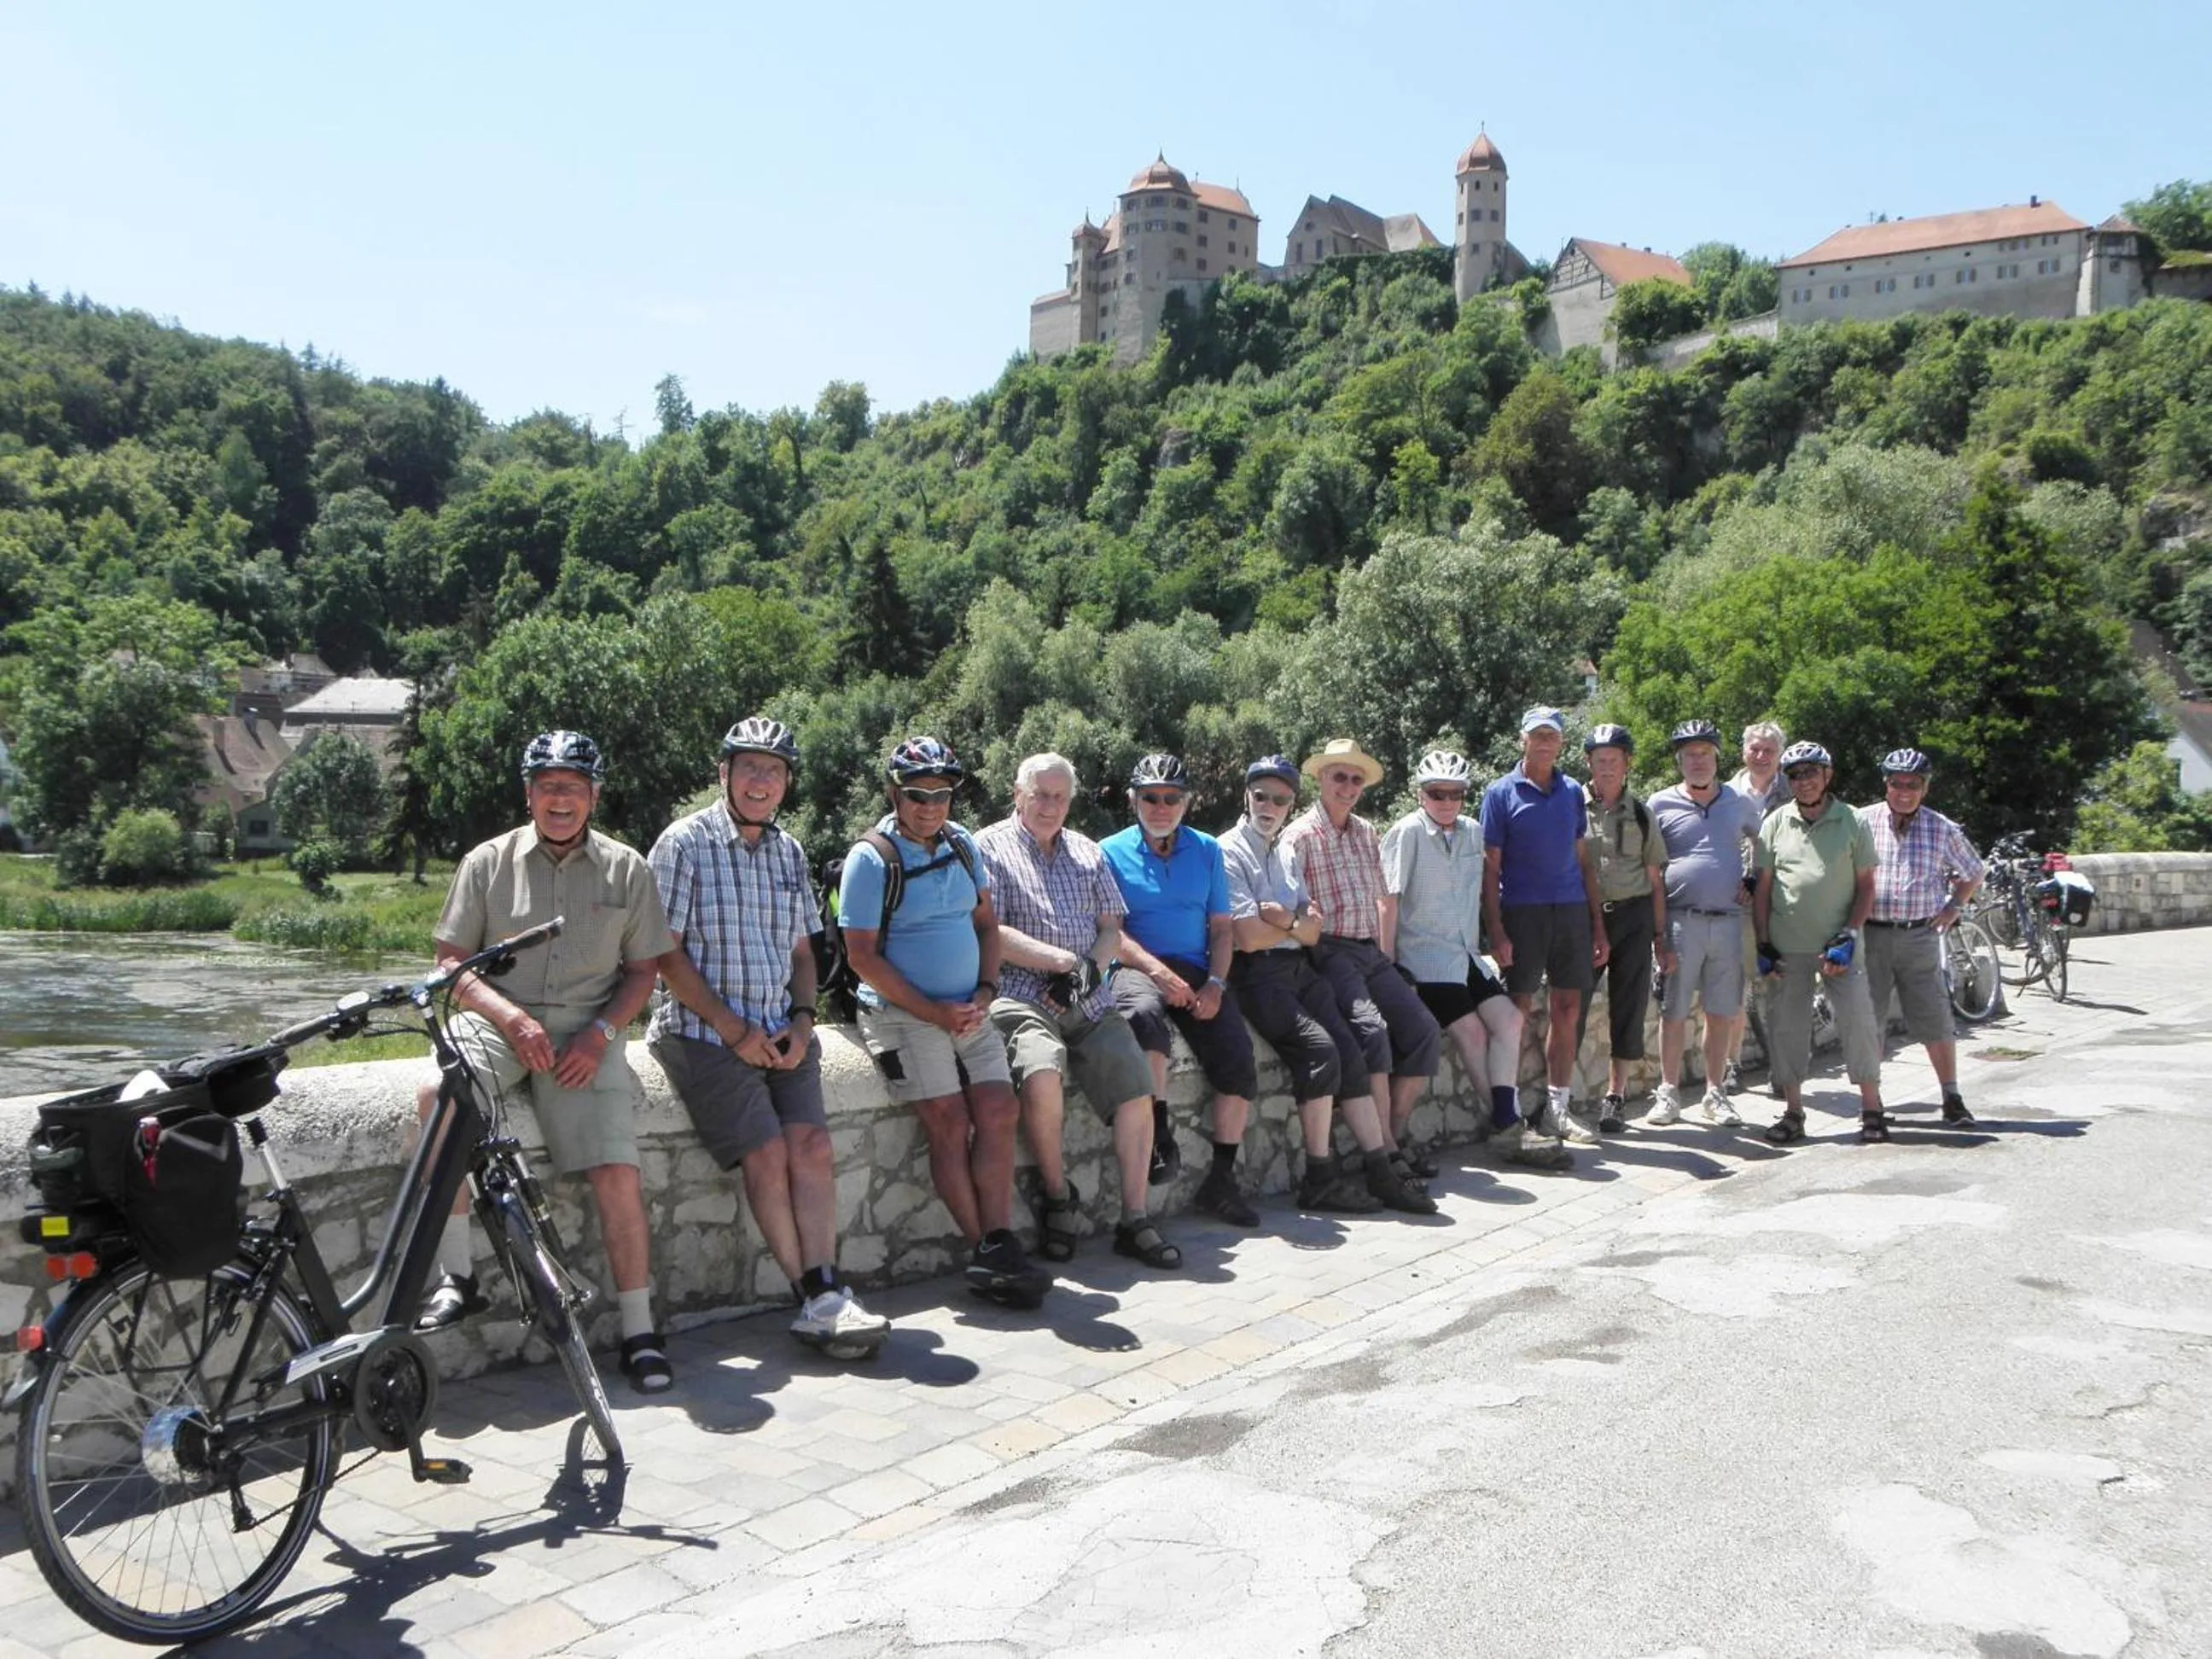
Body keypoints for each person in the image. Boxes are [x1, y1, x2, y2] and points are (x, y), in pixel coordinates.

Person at [415, 731, 679, 1394]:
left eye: (574, 786)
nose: (561, 799)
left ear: (594, 795)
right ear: (529, 793)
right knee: (436, 1095)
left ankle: (641, 1332)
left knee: (618, 1172)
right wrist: (509, 1018)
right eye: (548, 786)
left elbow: (644, 970)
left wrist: (602, 1034)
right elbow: (451, 963)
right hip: (499, 1019)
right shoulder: (486, 862)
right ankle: (459, 1275)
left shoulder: (627, 868)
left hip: (587, 1031)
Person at [647, 717, 888, 1360]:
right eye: (749, 767)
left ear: (786, 784)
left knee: (810, 1144)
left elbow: (804, 950)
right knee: (767, 1151)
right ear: (723, 773)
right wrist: (733, 1029)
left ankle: (829, 1285)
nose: (761, 781)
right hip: (701, 1033)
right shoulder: (683, 843)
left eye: (774, 771)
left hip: (782, 1028)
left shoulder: (788, 851)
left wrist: (805, 1019)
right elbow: (663, 955)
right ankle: (811, 1294)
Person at [840, 736, 1051, 1308]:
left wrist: (985, 990)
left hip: (968, 1007)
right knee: (949, 1122)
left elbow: (986, 925)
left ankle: (1000, 1238)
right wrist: (934, 1011)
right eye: (916, 795)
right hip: (904, 1013)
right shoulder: (872, 858)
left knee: (1000, 1109)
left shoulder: (960, 845)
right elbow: (861, 956)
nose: (930, 806)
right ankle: (985, 1250)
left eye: (941, 794)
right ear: (894, 794)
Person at [976, 754, 1182, 1272]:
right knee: (1043, 1073)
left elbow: (1111, 928)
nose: (1050, 806)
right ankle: (1056, 1196)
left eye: (1060, 797)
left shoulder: (1087, 853)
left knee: (1136, 1085)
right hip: (1021, 993)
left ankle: (1134, 1218)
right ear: (1018, 794)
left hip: (1087, 997)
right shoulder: (988, 848)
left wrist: (1088, 971)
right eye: (1040, 795)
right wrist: (1062, 963)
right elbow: (990, 931)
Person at [1222, 755, 1436, 1214]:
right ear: (1247, 796)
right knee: (1321, 1051)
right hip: (1257, 975)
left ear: (1289, 802)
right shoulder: (1227, 851)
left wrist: (1279, 918)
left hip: (1299, 966)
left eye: (1280, 798)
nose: (1271, 805)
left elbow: (1311, 930)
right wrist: (1293, 924)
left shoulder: (1282, 850)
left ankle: (1382, 1170)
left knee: (1355, 1048)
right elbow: (1247, 937)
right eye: (1262, 795)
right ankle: (1319, 1176)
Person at [1381, 749, 1571, 1170]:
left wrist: (1497, 934)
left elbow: (1484, 887)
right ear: (1420, 794)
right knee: (1472, 1033)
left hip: (1465, 952)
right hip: (1425, 957)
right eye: (1436, 793)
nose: (1446, 802)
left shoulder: (1471, 831)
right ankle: (1507, 1124)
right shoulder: (1406, 833)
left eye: (1455, 794)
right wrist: (1387, 965)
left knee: (1509, 1020)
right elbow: (1388, 902)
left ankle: (1507, 1122)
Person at [1100, 754, 1262, 1226]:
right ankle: (1160, 1134)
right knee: (1146, 1017)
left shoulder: (1208, 850)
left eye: (1172, 798)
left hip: (1194, 967)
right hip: (1134, 963)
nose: (1161, 806)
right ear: (1134, 800)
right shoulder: (1108, 851)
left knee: (1236, 1052)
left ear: (1186, 803)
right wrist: (1158, 974)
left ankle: (1222, 1182)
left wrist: (1215, 983)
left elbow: (1222, 930)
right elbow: (1112, 932)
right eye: (1150, 797)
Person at [1282, 738, 1445, 1185]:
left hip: (1369, 950)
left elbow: (1379, 899)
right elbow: (1289, 910)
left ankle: (1391, 1135)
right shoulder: (1298, 837)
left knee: (1425, 1031)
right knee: (1372, 1031)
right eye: (1340, 777)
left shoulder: (1367, 833)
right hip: (1328, 950)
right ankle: (1386, 1155)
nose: (1348, 786)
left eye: (1356, 779)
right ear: (1321, 779)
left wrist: (1386, 956)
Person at [1480, 707, 1610, 1146]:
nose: (1544, 743)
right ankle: (1509, 1110)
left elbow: (1582, 859)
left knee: (1568, 1009)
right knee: (1515, 1012)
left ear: (1561, 743)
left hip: (1570, 910)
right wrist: (1495, 930)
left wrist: (1597, 925)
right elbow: (1490, 867)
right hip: (1522, 913)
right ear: (1523, 741)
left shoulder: (1572, 791)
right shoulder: (1500, 793)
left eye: (1551, 736)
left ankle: (1557, 1109)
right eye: (1537, 735)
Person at [1753, 741, 1886, 1144]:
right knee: (1787, 1029)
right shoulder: (1775, 822)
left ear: (1827, 776)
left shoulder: (1852, 821)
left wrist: (1850, 933)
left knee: (1858, 1023)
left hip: (1838, 946)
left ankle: (1872, 1109)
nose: (1804, 781)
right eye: (1795, 775)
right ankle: (1793, 1112)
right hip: (1787, 945)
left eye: (1811, 772)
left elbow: (1866, 886)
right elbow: (1762, 889)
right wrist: (1762, 944)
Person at [1644, 719, 1763, 1130]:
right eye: (1690, 755)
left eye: (1705, 754)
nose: (1698, 761)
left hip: (1728, 921)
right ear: (1680, 761)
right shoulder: (1658, 804)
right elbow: (1647, 864)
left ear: (1717, 758)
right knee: (1674, 1009)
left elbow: (1763, 842)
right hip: (1680, 920)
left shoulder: (1738, 802)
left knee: (1720, 1013)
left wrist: (1753, 877)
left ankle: (1716, 1093)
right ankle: (1669, 1092)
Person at [1859, 747, 1985, 1126]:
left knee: (1934, 1016)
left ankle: (1951, 1095)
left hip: (1920, 935)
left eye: (1912, 784)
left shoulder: (1941, 827)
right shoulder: (1862, 821)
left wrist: (1954, 906)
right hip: (1872, 934)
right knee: (1870, 1020)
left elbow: (1974, 871)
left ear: (1925, 788)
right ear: (1886, 784)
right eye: (1897, 783)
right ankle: (1873, 1105)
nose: (1904, 791)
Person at [1573, 725, 1667, 1133]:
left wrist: (1661, 936)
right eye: (1599, 759)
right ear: (1588, 763)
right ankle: (1558, 1096)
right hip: (1583, 917)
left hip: (1633, 916)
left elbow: (1656, 880)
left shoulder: (1643, 815)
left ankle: (1615, 1096)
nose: (1606, 767)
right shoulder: (1570, 807)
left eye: (1614, 759)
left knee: (1628, 1007)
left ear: (1627, 763)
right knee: (1571, 1003)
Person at [1722, 720, 1790, 1092]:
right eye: (1755, 749)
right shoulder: (1726, 794)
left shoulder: (1796, 790)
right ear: (1743, 751)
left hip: (1785, 904)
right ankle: (1731, 1066)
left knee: (1781, 987)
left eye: (1769, 750)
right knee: (1736, 988)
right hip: (1741, 905)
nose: (1761, 756)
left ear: (1779, 754)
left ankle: (1784, 1068)